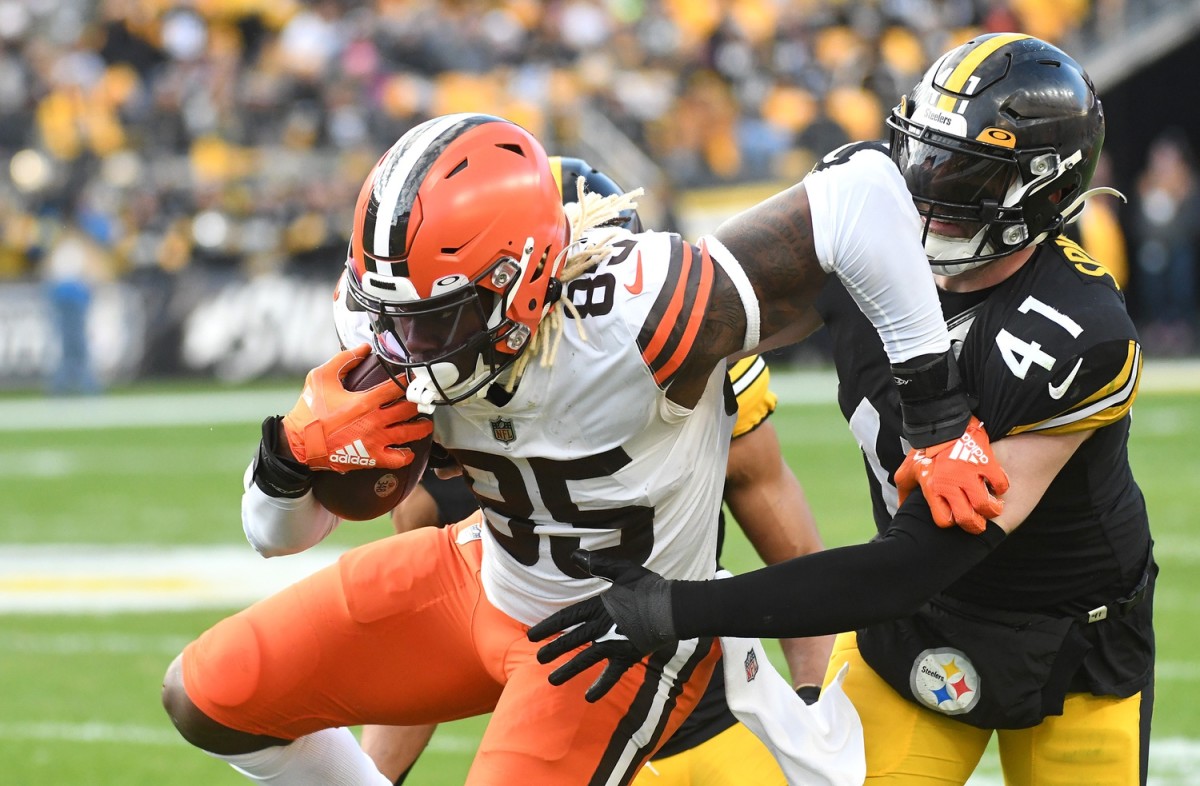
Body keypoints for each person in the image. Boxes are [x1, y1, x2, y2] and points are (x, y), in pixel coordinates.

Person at [160, 111, 1006, 786]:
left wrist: (935, 413)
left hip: (611, 641)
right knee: (209, 696)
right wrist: (289, 462)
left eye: (432, 317)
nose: (403, 344)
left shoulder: (638, 315)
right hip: (482, 577)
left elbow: (862, 190)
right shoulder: (395, 321)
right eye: (391, 312)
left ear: (523, 280)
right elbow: (277, 537)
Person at [531, 34, 1156, 786]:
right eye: (924, 155)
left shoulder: (1075, 331)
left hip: (1070, 649)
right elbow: (695, 327)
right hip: (913, 633)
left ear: (1042, 191)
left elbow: (913, 563)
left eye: (963, 172)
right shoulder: (861, 238)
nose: (924, 186)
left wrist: (676, 610)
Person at [350, 152, 833, 786]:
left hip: (696, 703)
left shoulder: (690, 364)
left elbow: (791, 548)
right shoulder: (434, 404)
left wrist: (810, 695)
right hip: (559, 717)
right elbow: (427, 642)